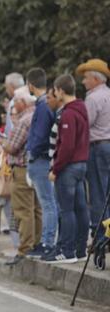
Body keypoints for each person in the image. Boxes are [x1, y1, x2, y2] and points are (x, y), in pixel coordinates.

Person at [46, 74, 90, 264]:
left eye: (55, 90)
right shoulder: (81, 108)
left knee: (66, 210)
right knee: (80, 208)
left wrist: (55, 169)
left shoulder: (68, 114)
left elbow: (66, 146)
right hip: (81, 165)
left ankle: (67, 250)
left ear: (61, 90)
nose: (55, 94)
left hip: (69, 167)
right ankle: (81, 249)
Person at [1, 87, 41, 265]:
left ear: (22, 103)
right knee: (36, 208)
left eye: (15, 101)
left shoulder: (24, 120)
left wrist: (3, 142)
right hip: (35, 167)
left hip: (22, 168)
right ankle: (37, 244)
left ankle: (25, 248)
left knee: (23, 209)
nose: (13, 105)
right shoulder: (38, 115)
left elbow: (12, 146)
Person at [75, 59, 110, 244]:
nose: (84, 82)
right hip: (108, 145)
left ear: (96, 79)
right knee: (107, 192)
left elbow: (84, 125)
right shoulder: (108, 94)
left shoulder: (93, 98)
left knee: (97, 194)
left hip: (97, 147)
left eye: (86, 78)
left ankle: (100, 237)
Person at [25, 68, 58, 257]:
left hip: (41, 159)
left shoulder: (43, 105)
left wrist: (32, 151)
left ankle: (47, 242)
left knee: (48, 203)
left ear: (30, 84)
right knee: (47, 203)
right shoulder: (45, 104)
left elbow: (40, 135)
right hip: (43, 157)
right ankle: (46, 241)